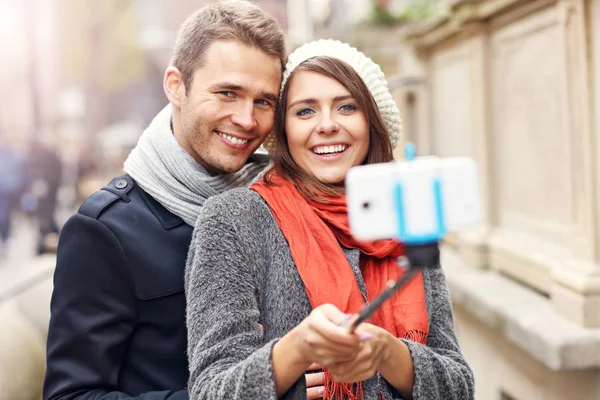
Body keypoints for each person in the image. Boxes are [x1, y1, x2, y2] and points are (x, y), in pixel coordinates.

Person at [42, 2, 329, 400]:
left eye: (263, 101)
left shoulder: (287, 200)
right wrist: (257, 390)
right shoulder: (107, 230)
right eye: (227, 93)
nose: (247, 120)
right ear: (176, 86)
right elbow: (72, 395)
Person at [185, 39, 475, 400]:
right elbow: (211, 390)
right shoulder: (236, 219)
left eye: (347, 107)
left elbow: (460, 385)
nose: (326, 125)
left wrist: (389, 353)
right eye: (305, 111)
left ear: (372, 121)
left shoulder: (407, 213)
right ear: (284, 130)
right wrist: (295, 349)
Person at [0, 136, 28, 257]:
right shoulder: (15, 156)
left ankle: (5, 240)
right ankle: (5, 240)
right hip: (9, 190)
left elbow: (23, 172)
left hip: (8, 191)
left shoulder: (15, 157)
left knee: (5, 216)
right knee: (5, 216)